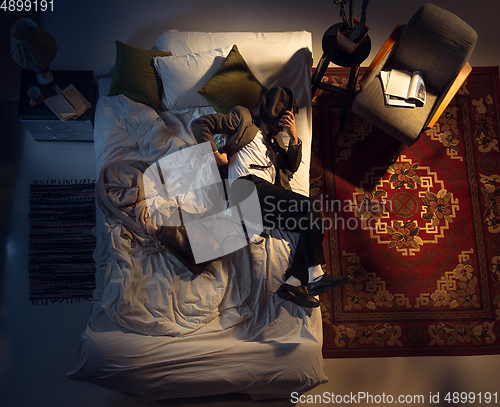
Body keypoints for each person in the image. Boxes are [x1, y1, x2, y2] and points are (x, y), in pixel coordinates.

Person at [191, 87, 351, 307]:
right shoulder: (244, 118)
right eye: (281, 121)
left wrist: (293, 136)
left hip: (260, 206)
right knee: (310, 208)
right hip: (245, 187)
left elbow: (292, 166)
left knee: (313, 220)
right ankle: (316, 277)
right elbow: (200, 124)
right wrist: (215, 155)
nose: (281, 127)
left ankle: (293, 283)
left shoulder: (275, 146)